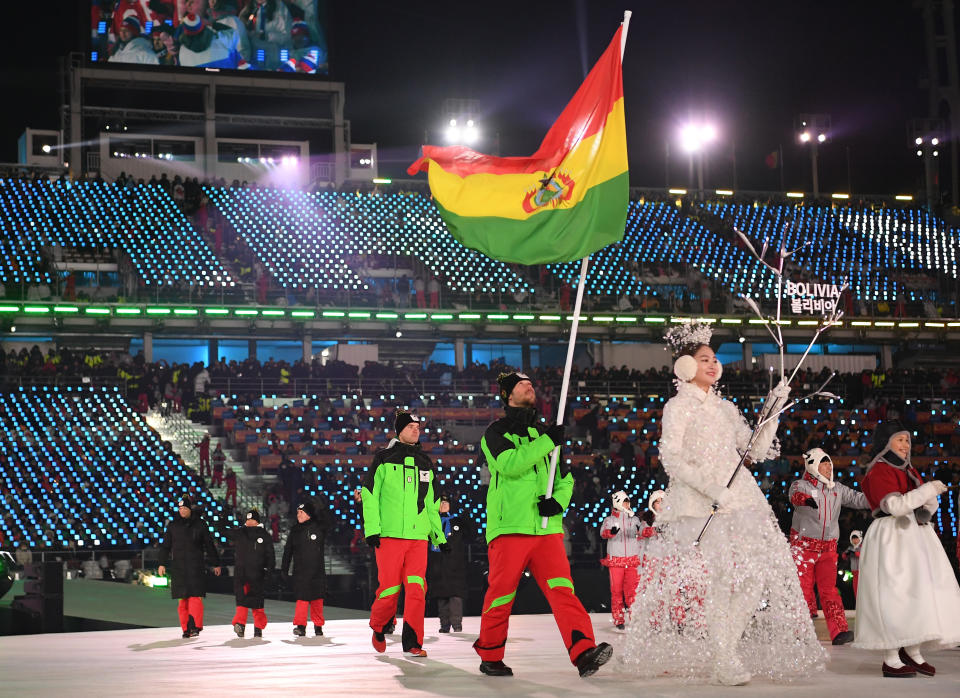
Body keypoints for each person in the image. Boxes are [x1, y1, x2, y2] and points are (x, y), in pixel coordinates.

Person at [621, 324, 824, 685]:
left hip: (740, 498)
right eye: (704, 359)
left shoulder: (725, 408)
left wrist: (773, 408)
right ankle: (724, 659)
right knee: (721, 579)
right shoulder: (678, 406)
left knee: (753, 579)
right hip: (701, 505)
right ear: (685, 365)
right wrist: (712, 488)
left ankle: (724, 652)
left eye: (715, 359)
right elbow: (671, 457)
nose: (713, 365)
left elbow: (756, 449)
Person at [474, 372, 612, 678]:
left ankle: (584, 652)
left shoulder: (546, 436)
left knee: (564, 590)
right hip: (510, 527)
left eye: (531, 384)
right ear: (508, 395)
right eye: (522, 384)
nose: (529, 387)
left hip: (547, 529)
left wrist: (559, 503)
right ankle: (491, 654)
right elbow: (509, 465)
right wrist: (549, 440)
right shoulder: (495, 433)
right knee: (501, 594)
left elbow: (565, 479)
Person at [852, 419, 960, 677]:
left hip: (913, 536)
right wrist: (927, 490)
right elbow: (896, 507)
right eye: (900, 439)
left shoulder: (909, 470)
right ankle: (891, 656)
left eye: (908, 440)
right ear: (886, 442)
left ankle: (912, 650)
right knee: (894, 594)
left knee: (917, 593)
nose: (905, 445)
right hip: (892, 537)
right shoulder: (879, 470)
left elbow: (919, 511)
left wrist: (929, 501)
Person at [361, 410, 446, 657]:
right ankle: (378, 626)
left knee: (417, 589)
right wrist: (372, 530)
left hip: (418, 538)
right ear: (399, 430)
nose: (415, 430)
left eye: (418, 426)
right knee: (389, 589)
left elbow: (432, 502)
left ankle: (412, 643)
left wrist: (438, 536)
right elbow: (369, 494)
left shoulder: (425, 461)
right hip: (389, 536)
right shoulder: (384, 458)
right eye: (410, 426)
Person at [788, 447, 870, 645]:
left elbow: (858, 499)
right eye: (823, 463)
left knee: (830, 590)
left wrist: (880, 500)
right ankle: (801, 632)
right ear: (813, 466)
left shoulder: (837, 489)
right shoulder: (801, 485)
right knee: (802, 589)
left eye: (829, 463)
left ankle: (839, 632)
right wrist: (806, 500)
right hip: (803, 547)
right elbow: (794, 495)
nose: (828, 467)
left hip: (828, 548)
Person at [157, 495, 222, 638]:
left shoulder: (200, 524)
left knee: (194, 598)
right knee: (182, 600)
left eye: (184, 508)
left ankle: (195, 627)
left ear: (189, 509)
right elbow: (165, 546)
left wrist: (215, 563)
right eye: (180, 508)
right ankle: (186, 629)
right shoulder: (173, 525)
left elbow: (209, 544)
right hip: (179, 567)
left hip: (195, 567)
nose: (182, 511)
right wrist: (161, 563)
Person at [281, 499, 327, 637]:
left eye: (301, 512)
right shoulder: (295, 531)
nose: (298, 515)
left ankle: (318, 627)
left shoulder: (319, 527)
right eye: (297, 512)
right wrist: (284, 569)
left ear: (309, 514)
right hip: (300, 573)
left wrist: (322, 509)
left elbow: (329, 522)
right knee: (302, 600)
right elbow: (287, 551)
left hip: (317, 572)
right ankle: (301, 626)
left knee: (317, 600)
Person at [599, 490, 642, 630]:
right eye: (625, 501)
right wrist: (611, 532)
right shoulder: (609, 520)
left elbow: (640, 531)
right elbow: (603, 533)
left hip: (631, 560)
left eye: (628, 501)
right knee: (616, 591)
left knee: (632, 591)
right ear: (617, 502)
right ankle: (619, 619)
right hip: (616, 560)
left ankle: (635, 618)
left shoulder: (634, 519)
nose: (627, 504)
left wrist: (638, 531)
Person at [229, 508, 275, 638]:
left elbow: (270, 555)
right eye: (247, 519)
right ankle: (240, 626)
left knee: (257, 604)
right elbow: (225, 532)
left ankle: (258, 628)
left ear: (257, 521)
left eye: (252, 519)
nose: (249, 522)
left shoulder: (264, 535)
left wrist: (269, 570)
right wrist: (221, 517)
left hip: (257, 575)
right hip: (241, 575)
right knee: (241, 602)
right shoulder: (240, 532)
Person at [427, 494, 467, 633]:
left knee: (455, 597)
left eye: (446, 502)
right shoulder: (432, 522)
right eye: (441, 502)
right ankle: (444, 626)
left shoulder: (458, 522)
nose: (443, 505)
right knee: (441, 597)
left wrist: (466, 516)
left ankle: (457, 625)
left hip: (455, 566)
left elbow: (470, 533)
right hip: (438, 566)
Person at [842, 530, 862, 595]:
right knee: (856, 591)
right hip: (854, 572)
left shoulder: (863, 547)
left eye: (856, 538)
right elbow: (844, 557)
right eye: (853, 539)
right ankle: (857, 603)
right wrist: (846, 554)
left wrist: (855, 553)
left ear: (860, 538)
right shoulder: (850, 548)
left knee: (862, 590)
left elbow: (864, 556)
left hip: (862, 573)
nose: (854, 540)